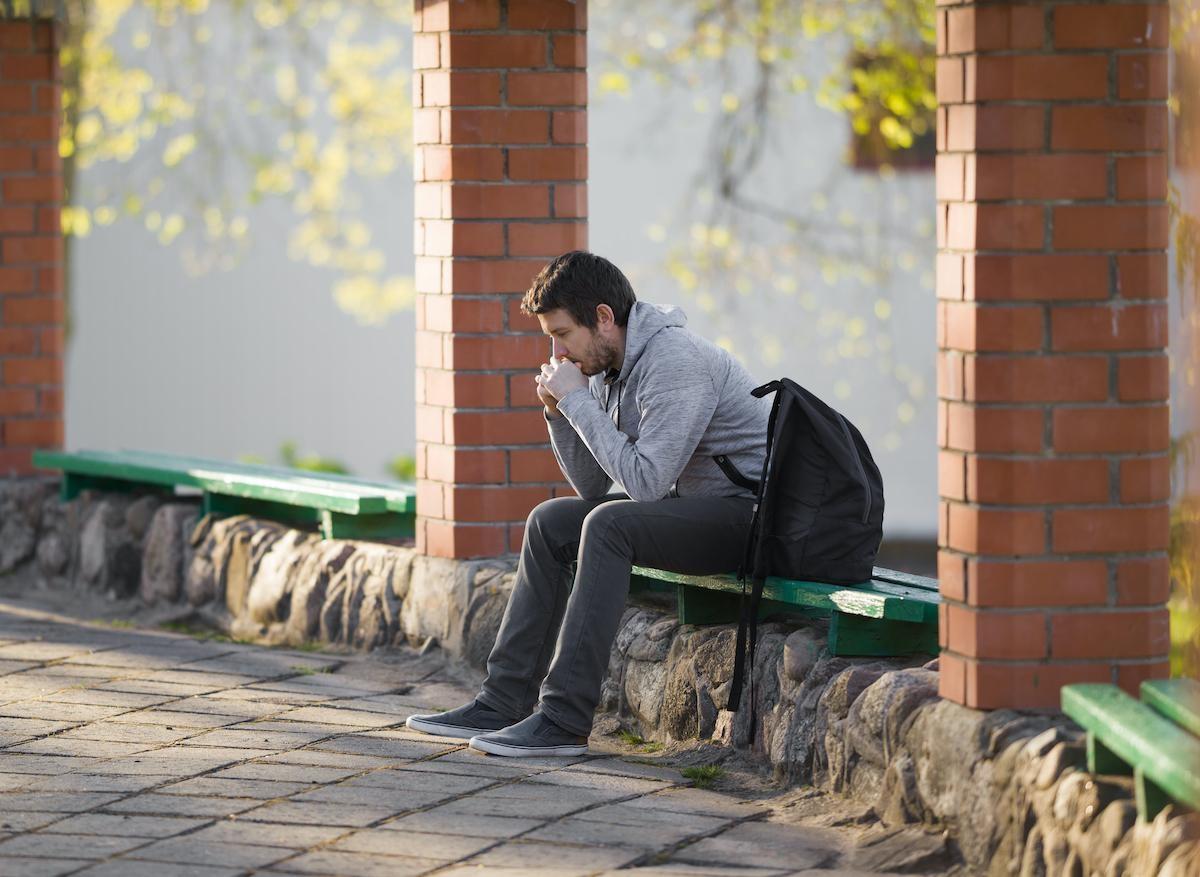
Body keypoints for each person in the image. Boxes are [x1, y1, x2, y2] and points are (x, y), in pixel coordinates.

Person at [406, 250, 771, 756]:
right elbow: (593, 486)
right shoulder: (607, 365)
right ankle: (503, 700)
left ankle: (562, 718)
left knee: (609, 526)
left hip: (749, 519)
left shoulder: (675, 361)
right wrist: (560, 413)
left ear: (603, 317)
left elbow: (643, 484)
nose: (557, 353)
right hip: (691, 510)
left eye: (561, 335)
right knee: (552, 520)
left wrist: (578, 402)